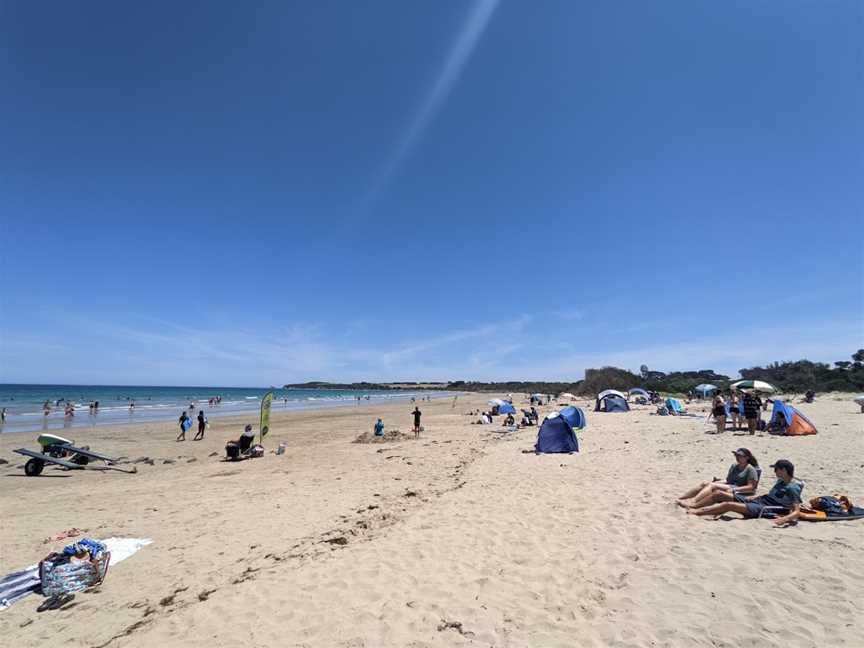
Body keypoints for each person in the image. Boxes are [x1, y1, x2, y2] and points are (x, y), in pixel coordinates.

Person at [687, 459, 801, 525]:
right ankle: (695, 505)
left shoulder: (792, 487)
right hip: (760, 500)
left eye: (776, 469)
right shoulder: (781, 481)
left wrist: (784, 519)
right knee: (718, 494)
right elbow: (772, 495)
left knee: (728, 505)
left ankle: (697, 512)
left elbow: (796, 511)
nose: (775, 472)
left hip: (767, 508)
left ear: (784, 471)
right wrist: (757, 496)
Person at [677, 449, 760, 509]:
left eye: (740, 456)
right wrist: (718, 481)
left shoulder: (750, 469)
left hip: (739, 489)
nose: (737, 457)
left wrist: (734, 489)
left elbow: (751, 487)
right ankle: (681, 497)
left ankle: (693, 502)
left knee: (712, 486)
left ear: (747, 458)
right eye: (736, 455)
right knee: (705, 483)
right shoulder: (734, 466)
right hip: (731, 485)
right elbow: (728, 480)